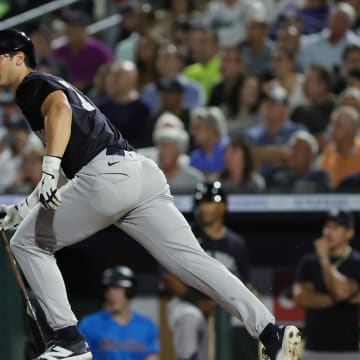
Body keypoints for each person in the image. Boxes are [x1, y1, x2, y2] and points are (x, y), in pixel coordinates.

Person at [0, 29, 301, 360]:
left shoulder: (30, 84)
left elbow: (60, 110)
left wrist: (47, 166)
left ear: (18, 58)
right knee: (193, 261)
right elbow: (70, 159)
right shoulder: (48, 85)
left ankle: (69, 341)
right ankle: (271, 332)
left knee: (26, 243)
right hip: (138, 174)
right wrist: (26, 207)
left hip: (107, 177)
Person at [163, 181, 257, 360]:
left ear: (223, 206)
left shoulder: (236, 244)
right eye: (201, 203)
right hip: (188, 302)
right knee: (189, 317)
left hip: (222, 310)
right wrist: (198, 302)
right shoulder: (186, 234)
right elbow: (168, 277)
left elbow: (247, 284)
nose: (204, 208)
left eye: (209, 202)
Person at [292, 209, 360, 360]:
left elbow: (341, 293)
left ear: (349, 233)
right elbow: (301, 299)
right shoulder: (309, 262)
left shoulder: (356, 262)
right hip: (314, 350)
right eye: (326, 227)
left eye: (335, 227)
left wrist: (324, 260)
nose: (328, 232)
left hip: (349, 351)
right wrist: (343, 298)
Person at [79, 265, 160, 360]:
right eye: (108, 289)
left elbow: (152, 357)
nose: (112, 294)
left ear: (130, 292)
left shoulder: (147, 326)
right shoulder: (89, 324)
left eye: (117, 288)